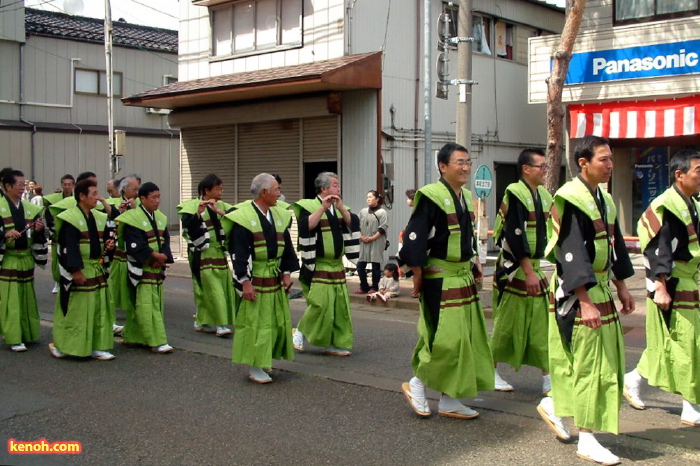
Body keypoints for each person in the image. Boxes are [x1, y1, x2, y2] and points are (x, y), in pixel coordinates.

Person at [538, 135, 635, 465]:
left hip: (601, 287)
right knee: (592, 364)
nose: (610, 165)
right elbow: (571, 251)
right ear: (583, 163)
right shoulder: (571, 198)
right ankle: (588, 438)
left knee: (583, 360)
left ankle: (555, 404)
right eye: (603, 159)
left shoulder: (603, 199)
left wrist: (621, 286)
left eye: (611, 159)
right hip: (580, 292)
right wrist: (585, 300)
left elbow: (614, 244)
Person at [398, 142, 494, 419]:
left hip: (461, 276)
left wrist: (474, 261)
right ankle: (417, 383)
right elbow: (414, 238)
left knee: (465, 340)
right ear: (443, 166)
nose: (465, 167)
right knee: (446, 341)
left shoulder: (463, 195)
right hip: (440, 279)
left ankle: (450, 399)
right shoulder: (430, 195)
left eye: (468, 162)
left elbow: (464, 236)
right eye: (459, 162)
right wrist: (417, 275)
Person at [623, 149, 700, 427]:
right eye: (698, 171)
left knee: (673, 343)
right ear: (680, 175)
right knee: (685, 344)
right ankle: (691, 404)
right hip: (673, 282)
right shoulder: (666, 204)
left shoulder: (692, 202)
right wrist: (660, 285)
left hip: (690, 280)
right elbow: (658, 249)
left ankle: (632, 379)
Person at [226, 173, 299, 383]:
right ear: (264, 192)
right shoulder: (242, 216)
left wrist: (286, 273)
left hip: (274, 277)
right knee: (256, 323)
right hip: (255, 277)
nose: (280, 194)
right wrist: (245, 282)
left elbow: (287, 248)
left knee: (274, 322)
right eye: (277, 189)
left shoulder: (279, 215)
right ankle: (255, 365)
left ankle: (264, 359)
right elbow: (239, 253)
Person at [490, 148, 552, 394]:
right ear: (526, 169)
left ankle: (547, 376)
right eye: (542, 167)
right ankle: (490, 368)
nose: (545, 171)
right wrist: (527, 271)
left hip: (534, 268)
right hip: (514, 268)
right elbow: (513, 234)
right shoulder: (515, 193)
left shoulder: (545, 196)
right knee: (507, 323)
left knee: (541, 323)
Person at [292, 172, 360, 356]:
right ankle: (300, 331)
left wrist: (341, 208)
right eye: (335, 185)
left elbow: (352, 223)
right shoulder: (308, 205)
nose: (338, 188)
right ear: (324, 188)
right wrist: (322, 208)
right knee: (320, 304)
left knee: (339, 307)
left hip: (337, 265)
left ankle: (335, 343)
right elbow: (307, 226)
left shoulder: (339, 207)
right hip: (319, 265)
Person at [49, 178, 116, 360]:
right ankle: (66, 346)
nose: (97, 197)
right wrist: (75, 270)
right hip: (81, 271)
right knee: (76, 311)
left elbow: (106, 241)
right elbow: (67, 247)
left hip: (96, 269)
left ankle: (97, 345)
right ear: (81, 196)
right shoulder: (70, 218)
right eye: (94, 194)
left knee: (99, 310)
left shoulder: (99, 217)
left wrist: (108, 247)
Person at [117, 182, 174, 353]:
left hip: (156, 268)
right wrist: (154, 255)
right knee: (146, 306)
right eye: (153, 197)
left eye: (159, 197)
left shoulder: (161, 218)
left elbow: (165, 241)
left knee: (146, 306)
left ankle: (134, 336)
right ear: (142, 199)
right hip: (142, 269)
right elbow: (133, 244)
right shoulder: (132, 218)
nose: (157, 201)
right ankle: (156, 340)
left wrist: (162, 257)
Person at [177, 174, 235, 337]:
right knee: (212, 289)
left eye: (221, 188)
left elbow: (237, 218)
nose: (220, 192)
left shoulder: (222, 205)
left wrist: (219, 211)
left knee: (218, 289)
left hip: (219, 252)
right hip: (202, 255)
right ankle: (221, 324)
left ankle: (202, 320)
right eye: (217, 189)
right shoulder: (191, 206)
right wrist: (197, 214)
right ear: (206, 190)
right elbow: (188, 227)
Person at [0, 168, 47, 352]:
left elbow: (39, 234)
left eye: (23, 184)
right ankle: (13, 337)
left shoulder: (31, 208)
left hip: (25, 257)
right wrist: (4, 234)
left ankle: (28, 333)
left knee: (27, 298)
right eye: (19, 185)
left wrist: (38, 230)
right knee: (11, 300)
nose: (23, 188)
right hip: (9, 259)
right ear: (8, 186)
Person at [108, 174, 141, 325]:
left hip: (135, 253)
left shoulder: (140, 202)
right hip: (119, 254)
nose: (137, 191)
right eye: (134, 188)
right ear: (124, 189)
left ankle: (135, 315)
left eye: (138, 188)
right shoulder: (115, 203)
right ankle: (110, 318)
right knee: (114, 286)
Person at [44, 174, 75, 294]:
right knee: (57, 259)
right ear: (62, 185)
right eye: (65, 184)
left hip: (72, 233)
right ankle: (57, 281)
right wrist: (53, 230)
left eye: (69, 184)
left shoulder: (77, 198)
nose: (67, 187)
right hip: (57, 232)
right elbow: (49, 215)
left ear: (73, 185)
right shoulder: (54, 199)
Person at [356, 190, 389, 294]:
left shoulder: (382, 212)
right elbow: (357, 225)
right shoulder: (363, 212)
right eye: (367, 197)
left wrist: (372, 238)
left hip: (376, 242)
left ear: (377, 199)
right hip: (363, 241)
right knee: (360, 265)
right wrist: (361, 236)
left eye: (370, 197)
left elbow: (383, 228)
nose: (368, 199)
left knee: (375, 265)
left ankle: (375, 286)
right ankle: (364, 286)